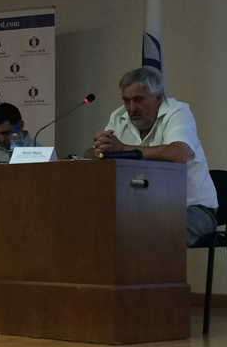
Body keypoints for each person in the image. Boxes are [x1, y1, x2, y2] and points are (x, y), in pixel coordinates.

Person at [87, 67, 217, 246]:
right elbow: (94, 154)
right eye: (126, 101)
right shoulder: (118, 117)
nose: (131, 108)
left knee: (154, 232)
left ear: (158, 98)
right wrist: (99, 150)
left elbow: (178, 153)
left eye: (138, 100)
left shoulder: (178, 112)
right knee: (94, 226)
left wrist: (122, 148)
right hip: (142, 210)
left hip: (192, 208)